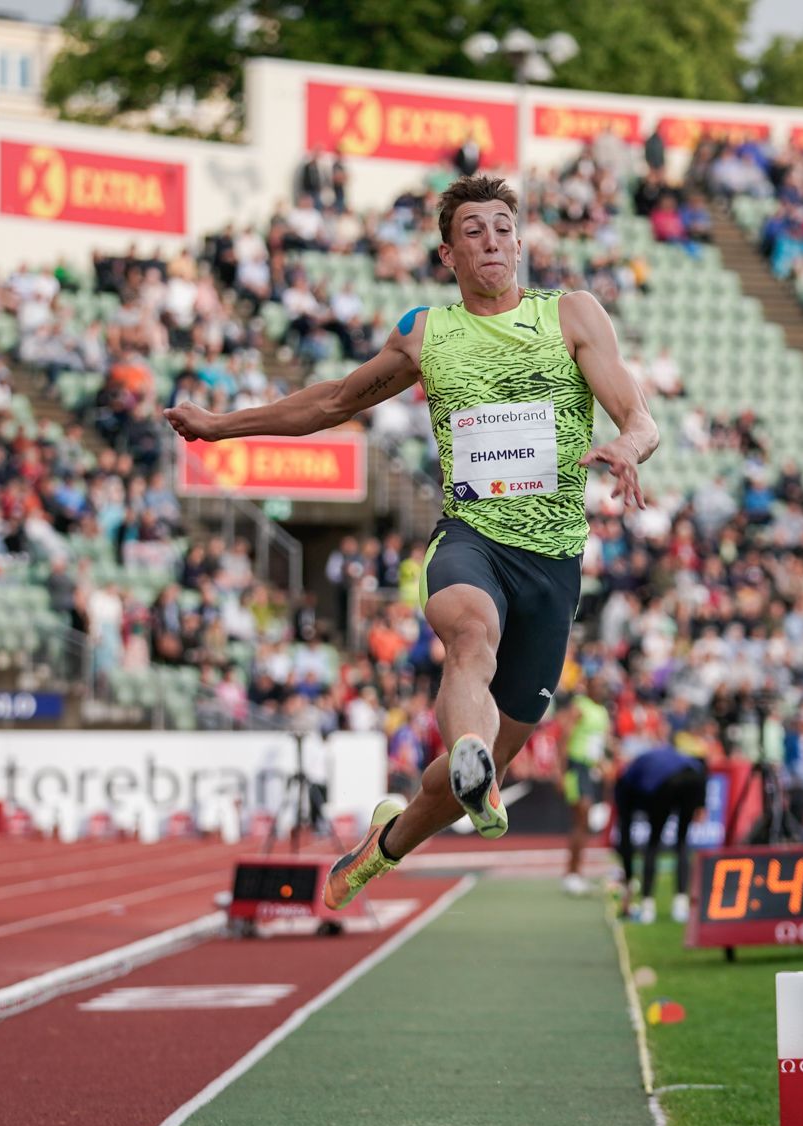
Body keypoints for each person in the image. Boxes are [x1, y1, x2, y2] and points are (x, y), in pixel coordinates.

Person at [165, 175, 658, 909]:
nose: (491, 240)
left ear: (520, 242)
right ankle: (473, 760)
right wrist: (222, 425)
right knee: (468, 634)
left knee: (486, 757)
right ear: (447, 254)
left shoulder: (572, 315)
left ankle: (389, 840)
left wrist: (631, 444)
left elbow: (638, 414)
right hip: (471, 537)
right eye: (473, 231)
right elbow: (332, 400)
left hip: (552, 564)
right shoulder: (429, 335)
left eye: (502, 227)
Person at [610, 743, 710, 925]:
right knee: (681, 841)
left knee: (654, 841)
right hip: (695, 779)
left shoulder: (625, 782)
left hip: (667, 782)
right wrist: (702, 803)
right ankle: (680, 905)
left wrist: (628, 879)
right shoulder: (640, 769)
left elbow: (626, 839)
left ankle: (648, 906)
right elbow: (701, 766)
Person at [560, 676, 614, 896]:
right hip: (576, 767)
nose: (601, 688)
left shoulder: (602, 713)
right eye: (598, 684)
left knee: (585, 821)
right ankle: (572, 874)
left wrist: (603, 764)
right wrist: (560, 772)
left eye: (603, 685)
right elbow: (565, 738)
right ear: (589, 687)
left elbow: (598, 743)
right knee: (581, 818)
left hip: (590, 769)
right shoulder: (580, 707)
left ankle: (576, 874)